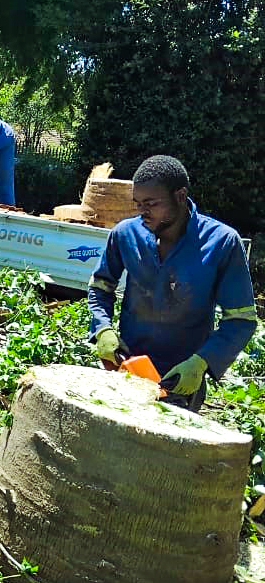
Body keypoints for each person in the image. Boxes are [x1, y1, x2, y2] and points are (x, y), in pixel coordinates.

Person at [88, 154, 257, 412]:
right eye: (137, 203)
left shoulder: (221, 243)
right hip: (126, 372)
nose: (142, 212)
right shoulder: (126, 234)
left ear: (180, 196)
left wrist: (202, 363)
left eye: (151, 203)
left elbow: (241, 319)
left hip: (180, 384)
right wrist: (102, 329)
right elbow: (101, 287)